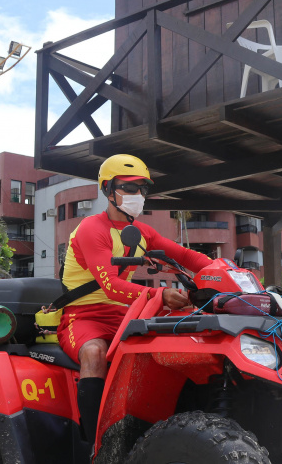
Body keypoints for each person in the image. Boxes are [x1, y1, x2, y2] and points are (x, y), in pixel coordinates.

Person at [58, 154, 212, 444]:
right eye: (129, 188)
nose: (138, 195)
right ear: (107, 189)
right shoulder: (92, 229)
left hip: (125, 316)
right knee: (94, 353)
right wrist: (159, 294)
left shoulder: (143, 232)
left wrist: (225, 271)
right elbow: (111, 287)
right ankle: (96, 445)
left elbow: (185, 256)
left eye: (142, 188)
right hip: (83, 316)